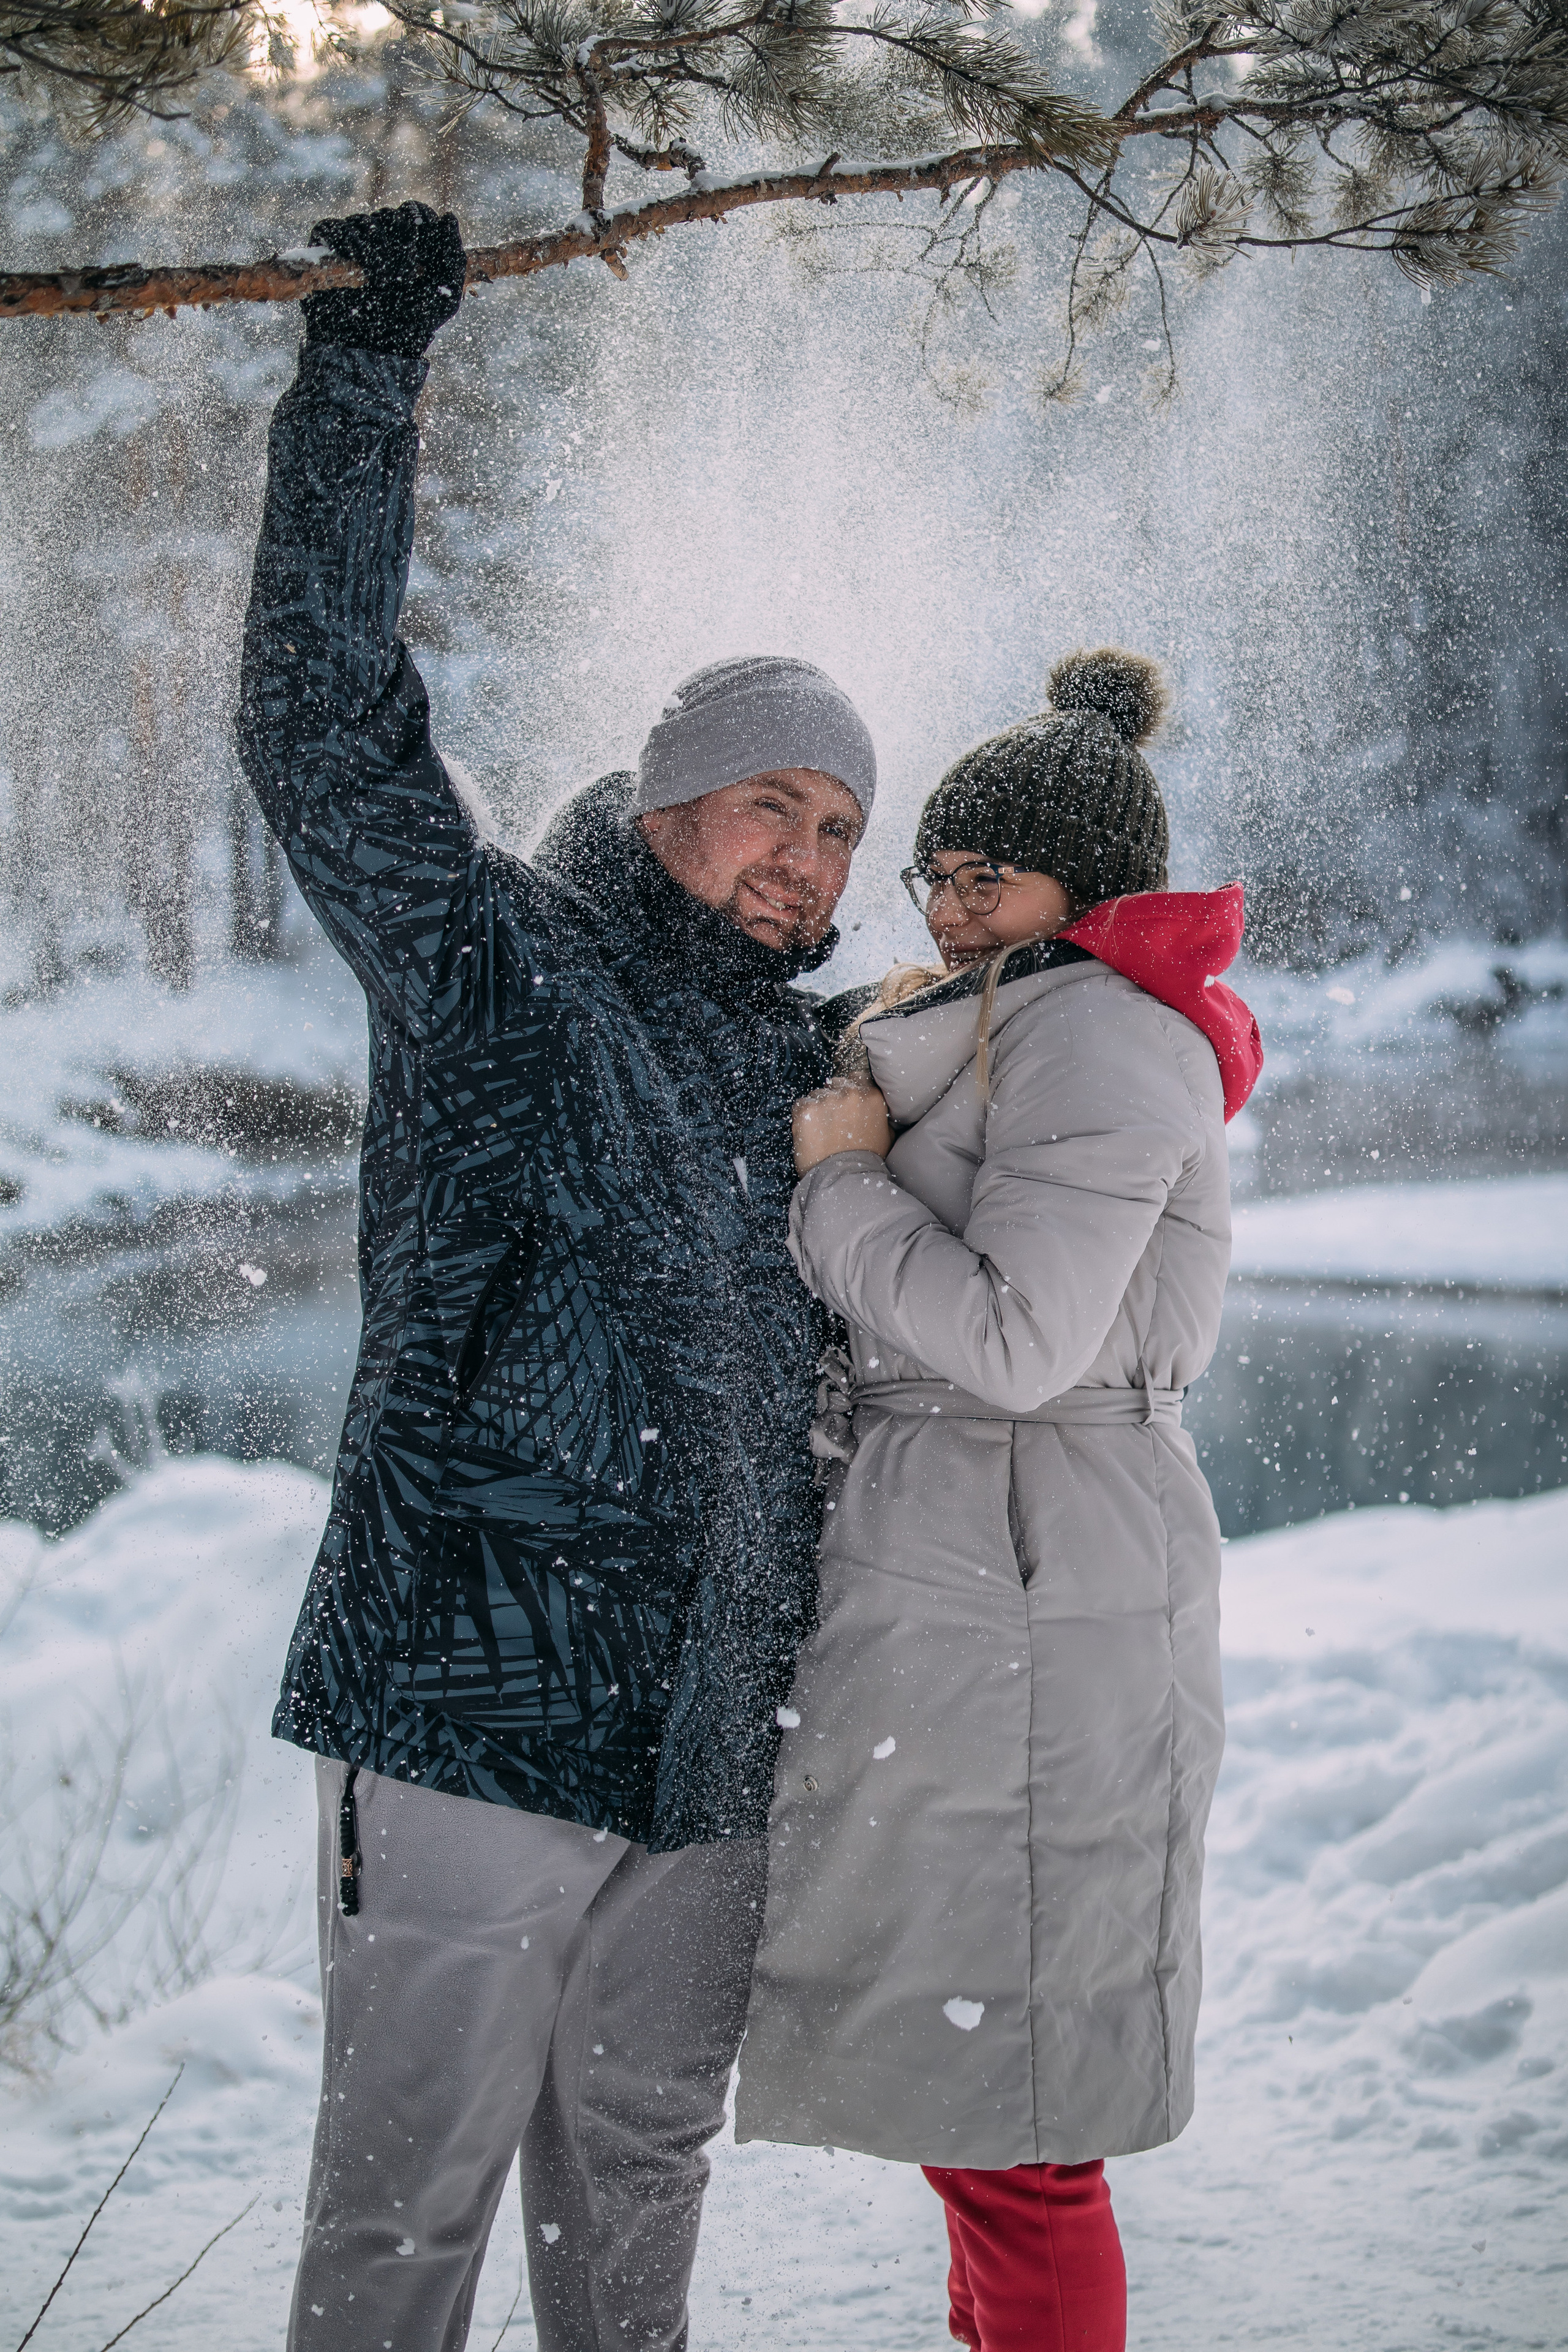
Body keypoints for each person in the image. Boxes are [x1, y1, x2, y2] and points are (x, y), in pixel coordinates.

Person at [234, 200, 878, 2352]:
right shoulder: (506, 968)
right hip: (469, 1700)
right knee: (405, 2202)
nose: (810, 860)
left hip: (703, 1728)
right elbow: (327, 729)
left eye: (844, 834)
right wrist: (359, 386)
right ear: (674, 800)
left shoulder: (820, 1072)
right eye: (773, 806)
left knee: (638, 2185)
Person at [734, 649, 1264, 2352]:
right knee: (986, 2110)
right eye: (940, 875)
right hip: (975, 1573)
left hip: (1037, 1581)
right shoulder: (995, 1011)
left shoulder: (1104, 1038)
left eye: (994, 878)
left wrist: (839, 1185)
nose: (955, 910)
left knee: (1020, 2121)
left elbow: (1020, 1342)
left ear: (1087, 891)